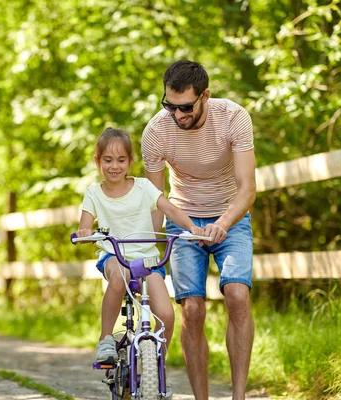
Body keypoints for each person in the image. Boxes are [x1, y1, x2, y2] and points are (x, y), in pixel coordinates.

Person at [142, 60, 256, 400]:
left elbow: (247, 188)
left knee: (237, 295)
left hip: (229, 218)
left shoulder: (234, 118)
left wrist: (221, 225)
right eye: (169, 106)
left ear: (205, 95)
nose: (177, 115)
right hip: (183, 222)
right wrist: (151, 251)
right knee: (192, 309)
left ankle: (238, 396)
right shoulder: (156, 132)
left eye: (186, 107)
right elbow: (155, 200)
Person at [76, 127, 204, 366]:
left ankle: (155, 365)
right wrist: (85, 233)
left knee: (166, 314)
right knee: (119, 275)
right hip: (115, 257)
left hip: (148, 261)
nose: (115, 166)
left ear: (130, 161)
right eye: (108, 160)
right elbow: (84, 225)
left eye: (121, 160)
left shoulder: (144, 187)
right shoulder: (94, 194)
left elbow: (171, 209)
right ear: (98, 161)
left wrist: (192, 228)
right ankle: (105, 338)